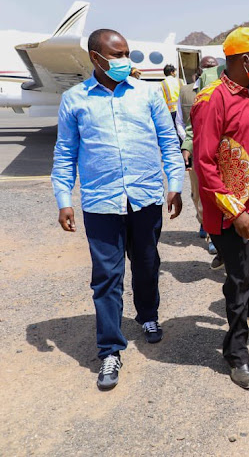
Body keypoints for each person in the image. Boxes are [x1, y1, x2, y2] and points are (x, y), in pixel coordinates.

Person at [51, 28, 184, 390]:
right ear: (96, 57)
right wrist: (64, 199)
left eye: (128, 53)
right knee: (106, 277)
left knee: (147, 263)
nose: (126, 61)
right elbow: (65, 153)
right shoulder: (74, 100)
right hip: (101, 203)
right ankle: (110, 349)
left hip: (144, 198)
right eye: (118, 54)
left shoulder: (148, 93)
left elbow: (168, 142)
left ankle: (148, 315)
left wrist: (175, 185)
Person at [191, 27, 249, 389]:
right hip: (230, 209)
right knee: (240, 279)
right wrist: (236, 212)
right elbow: (205, 163)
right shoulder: (211, 99)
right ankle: (236, 354)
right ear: (245, 60)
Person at [177, 55, 224, 267]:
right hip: (197, 151)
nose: (209, 71)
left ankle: (217, 238)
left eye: (213, 67)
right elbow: (183, 121)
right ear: (199, 69)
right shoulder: (187, 91)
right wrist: (188, 144)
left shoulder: (222, 89)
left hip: (220, 153)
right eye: (206, 67)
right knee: (198, 194)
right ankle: (205, 224)